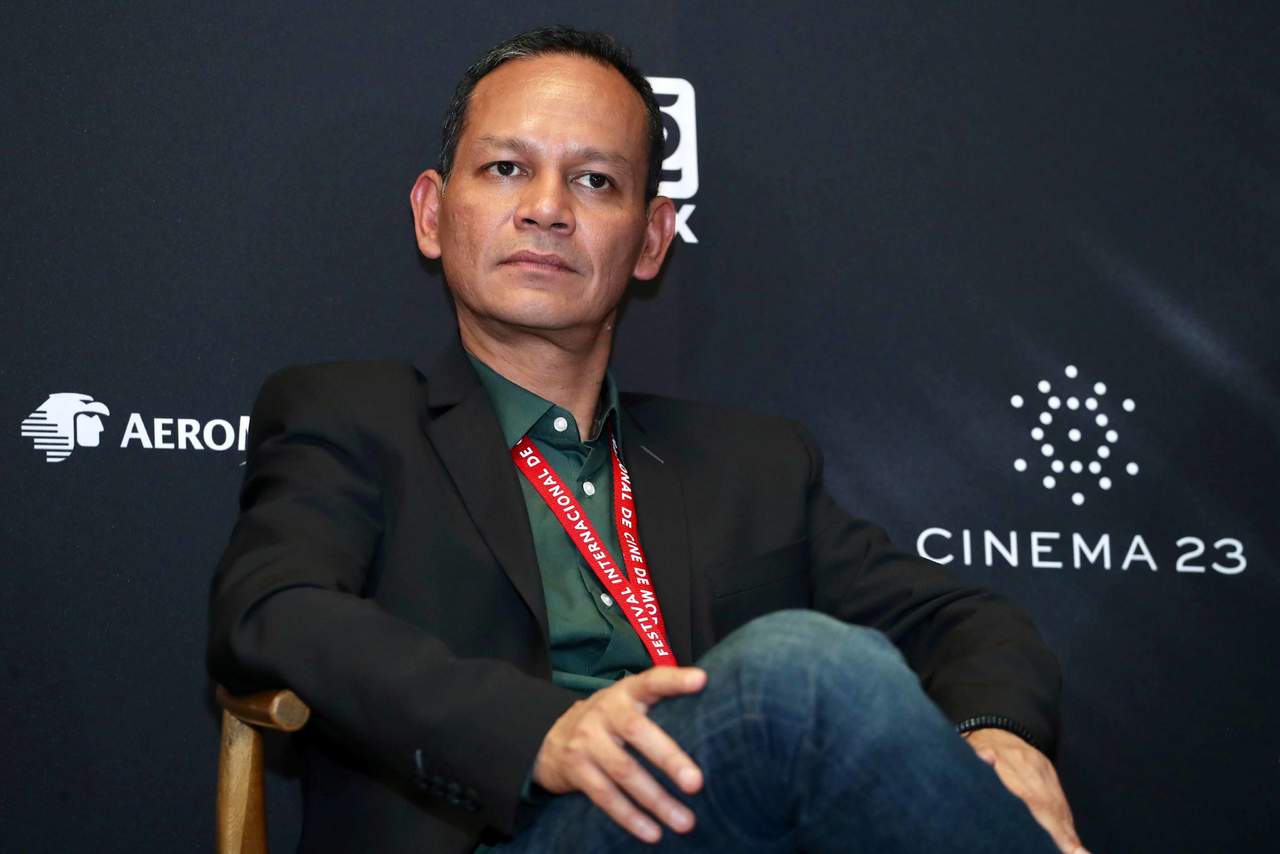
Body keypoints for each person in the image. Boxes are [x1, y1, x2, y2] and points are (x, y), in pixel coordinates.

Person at [208, 25, 1087, 854]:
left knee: (814, 686)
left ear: (652, 239)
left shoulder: (753, 464)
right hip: (507, 832)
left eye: (595, 181)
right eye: (508, 168)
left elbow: (966, 624)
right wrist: (540, 732)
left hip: (724, 820)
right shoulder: (350, 415)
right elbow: (269, 612)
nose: (547, 209)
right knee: (805, 673)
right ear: (433, 214)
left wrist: (998, 735)